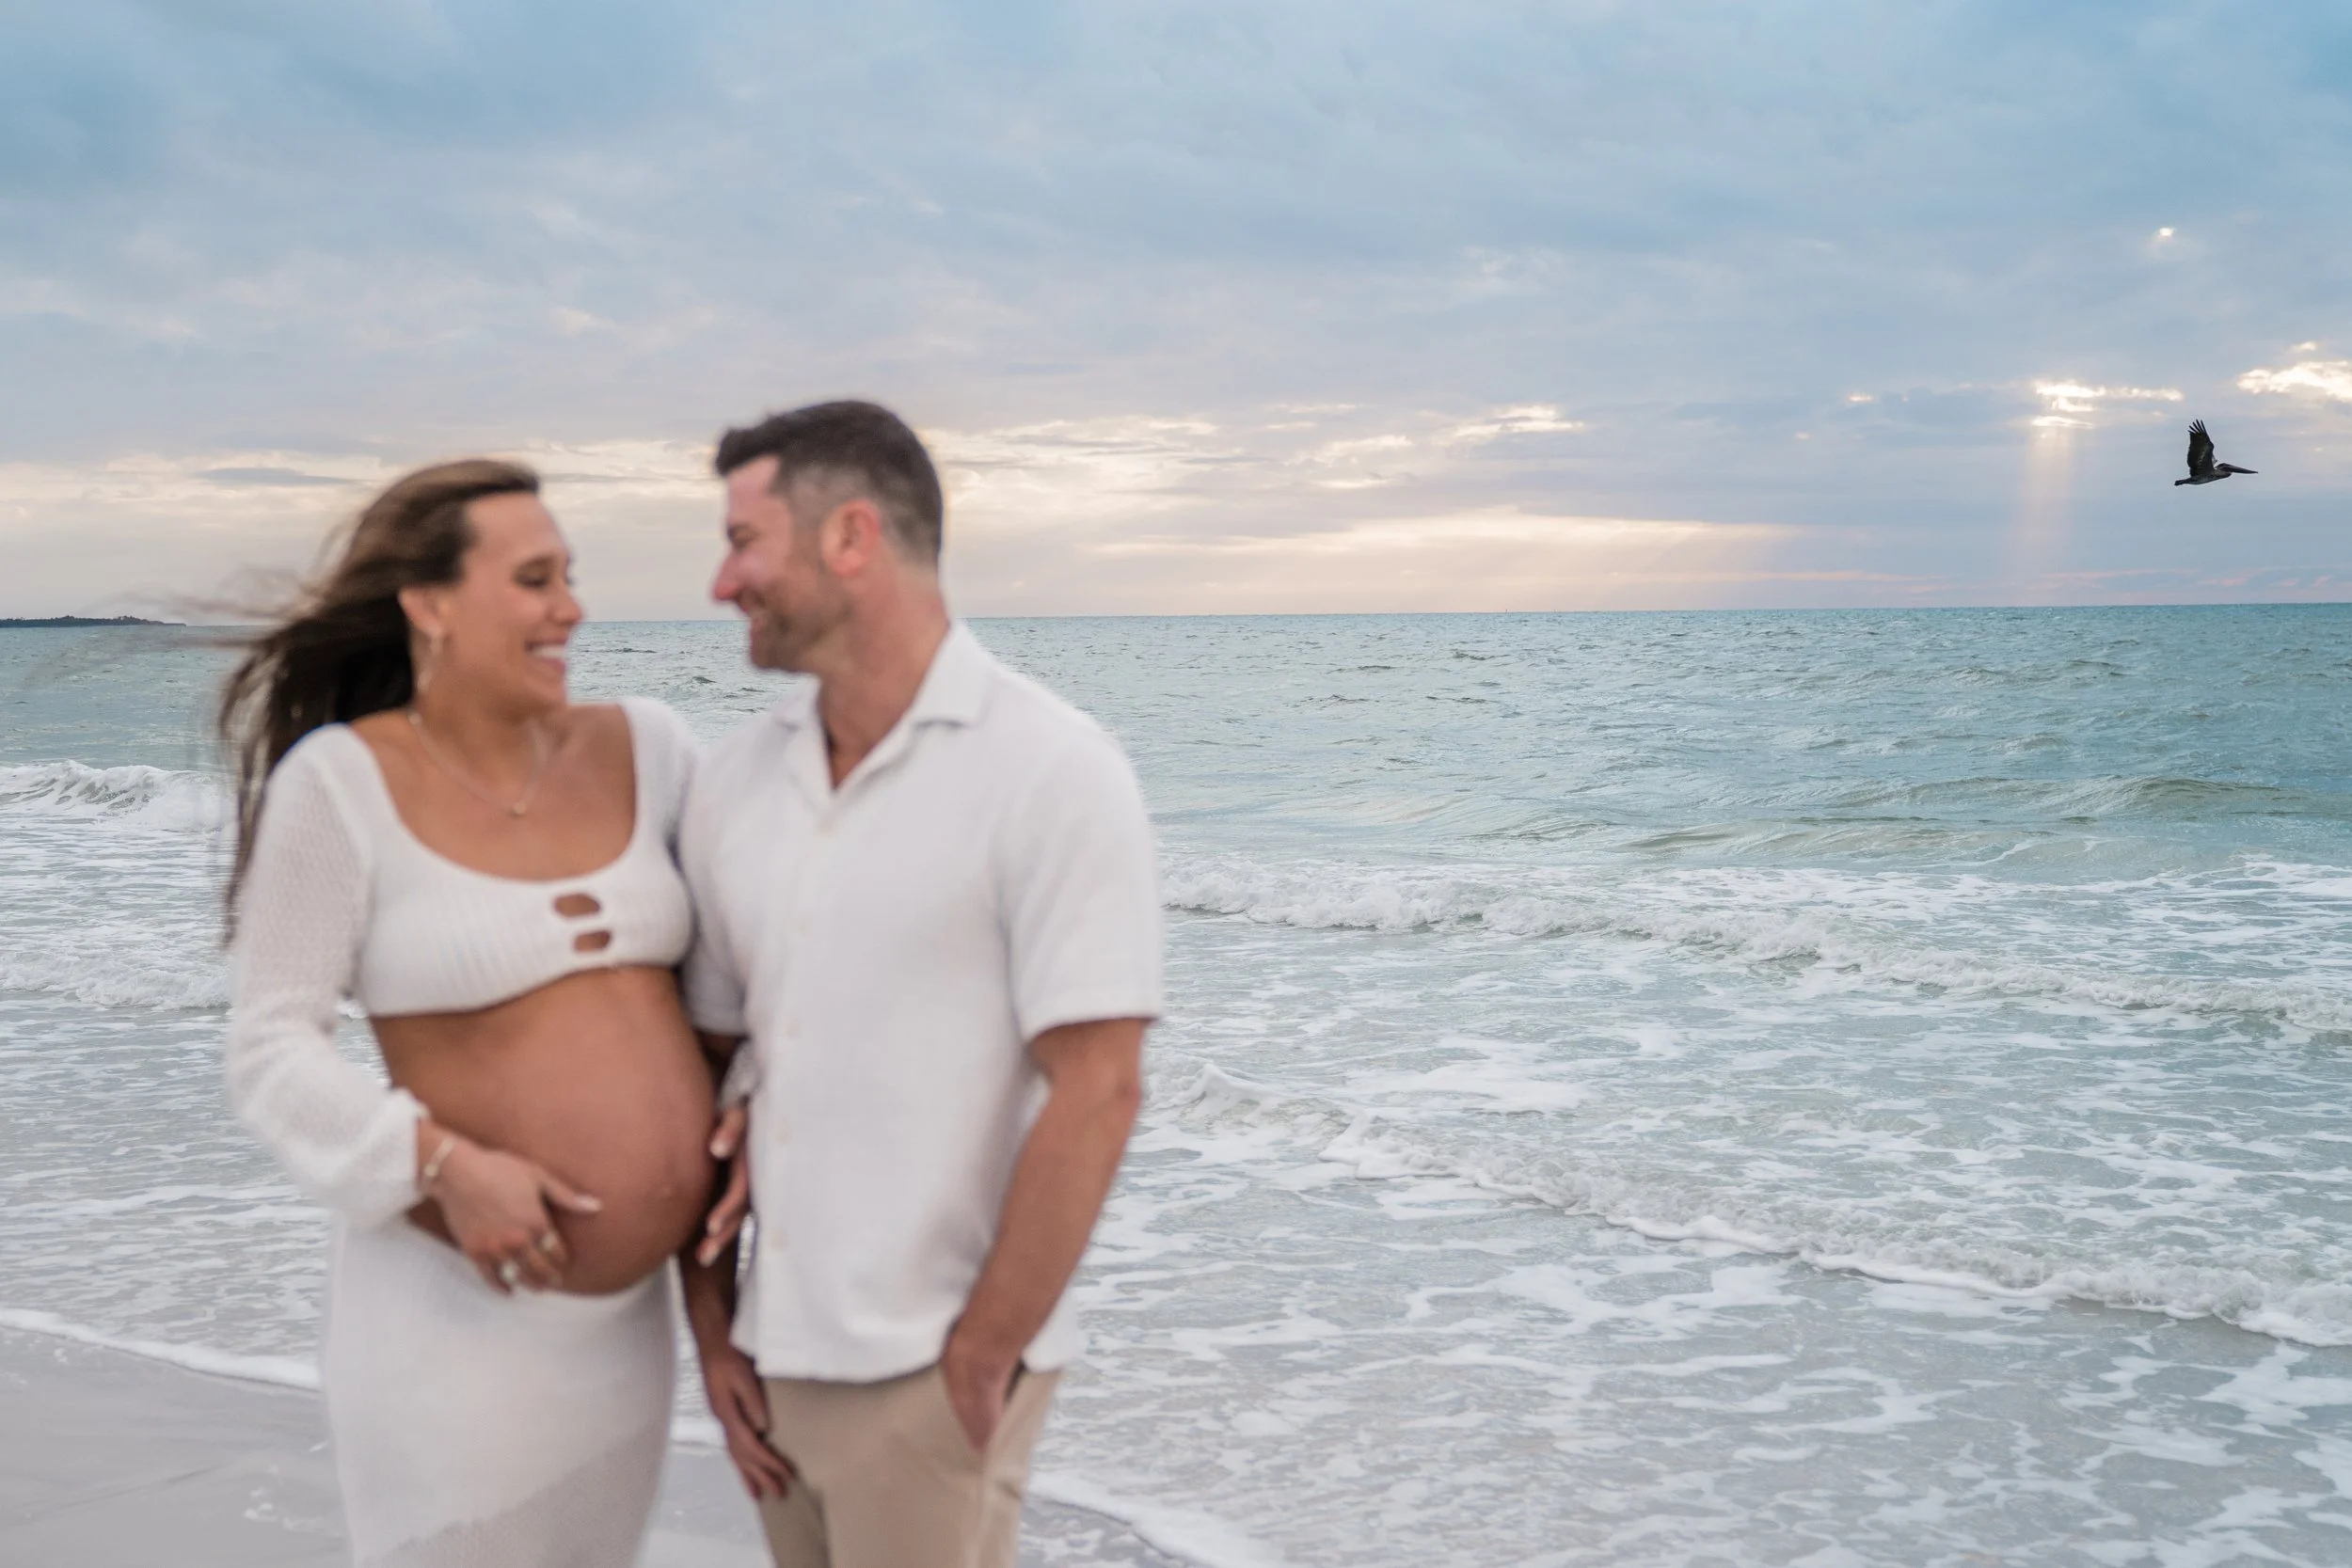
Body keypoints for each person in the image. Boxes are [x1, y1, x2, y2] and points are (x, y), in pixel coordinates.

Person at [676, 401, 1163, 1568]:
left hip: (931, 1364)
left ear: (852, 537)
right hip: (773, 1362)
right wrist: (713, 1336)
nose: (718, 578)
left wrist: (982, 1353)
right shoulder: (736, 780)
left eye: (745, 539)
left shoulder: (1051, 769)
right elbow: (702, 1070)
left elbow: (1098, 1089)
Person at [220, 459, 716, 1567]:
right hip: (450, 1321)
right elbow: (267, 1046)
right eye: (535, 578)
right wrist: (440, 1161)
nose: (570, 608)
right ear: (429, 604)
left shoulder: (656, 748)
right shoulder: (340, 783)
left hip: (623, 1330)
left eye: (570, 577)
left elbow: (738, 989)